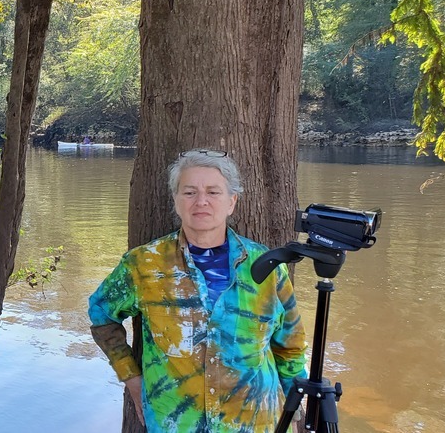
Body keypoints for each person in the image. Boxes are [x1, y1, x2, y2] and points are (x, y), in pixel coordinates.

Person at [88, 149, 308, 432]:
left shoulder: (266, 265)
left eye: (213, 192)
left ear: (232, 202)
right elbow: (101, 313)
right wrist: (130, 376)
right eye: (189, 192)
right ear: (176, 201)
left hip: (257, 421)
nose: (201, 201)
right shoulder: (143, 264)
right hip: (176, 422)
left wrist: (299, 408)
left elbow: (290, 345)